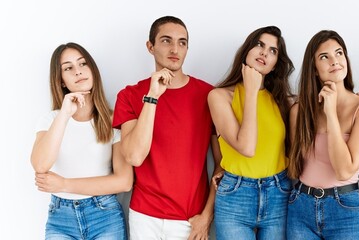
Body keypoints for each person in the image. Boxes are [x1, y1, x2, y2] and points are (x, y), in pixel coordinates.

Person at [112, 16, 219, 239]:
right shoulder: (130, 95)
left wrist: (206, 216)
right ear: (150, 47)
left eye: (182, 42)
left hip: (190, 219)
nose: (175, 49)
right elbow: (134, 156)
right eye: (166, 41)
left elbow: (222, 164)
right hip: (144, 216)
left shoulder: (208, 96)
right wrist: (152, 97)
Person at [31, 42, 133, 239]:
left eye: (83, 64)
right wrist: (65, 114)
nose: (78, 72)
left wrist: (64, 184)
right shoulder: (51, 120)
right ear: (61, 81)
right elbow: (40, 165)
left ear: (92, 70)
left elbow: (124, 181)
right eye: (68, 68)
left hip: (105, 215)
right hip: (61, 218)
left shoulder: (113, 121)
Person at [286, 30, 359, 239]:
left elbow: (344, 170)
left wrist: (330, 114)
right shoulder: (298, 112)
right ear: (314, 69)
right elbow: (294, 166)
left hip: (344, 208)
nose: (334, 61)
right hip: (300, 206)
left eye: (339, 53)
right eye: (324, 57)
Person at [207, 26, 294, 239]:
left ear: (275, 65)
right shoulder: (219, 96)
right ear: (247, 50)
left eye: (273, 51)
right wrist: (252, 90)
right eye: (259, 45)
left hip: (279, 192)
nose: (265, 53)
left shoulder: (285, 102)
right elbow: (246, 147)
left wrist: (355, 99)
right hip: (236, 194)